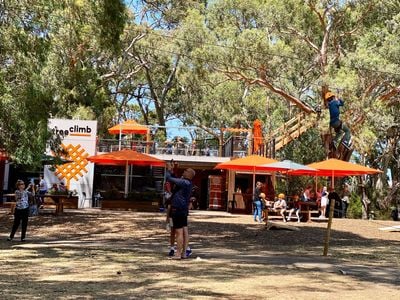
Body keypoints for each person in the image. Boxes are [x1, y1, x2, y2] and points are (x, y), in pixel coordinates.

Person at [165, 164, 196, 260]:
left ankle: (178, 254)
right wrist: (172, 171)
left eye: (186, 170)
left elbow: (169, 178)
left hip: (178, 209)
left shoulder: (184, 182)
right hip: (183, 209)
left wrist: (169, 170)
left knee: (178, 232)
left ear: (189, 174)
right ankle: (183, 253)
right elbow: (174, 178)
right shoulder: (187, 183)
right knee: (184, 230)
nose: (184, 171)